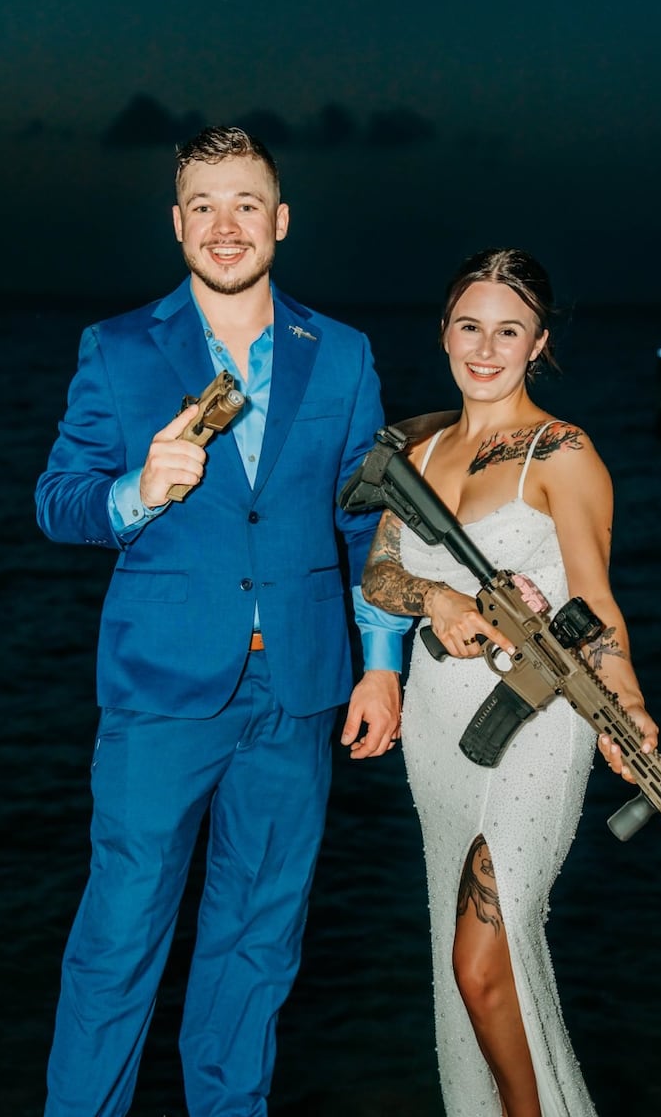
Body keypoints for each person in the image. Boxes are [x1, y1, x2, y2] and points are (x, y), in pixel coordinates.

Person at [35, 125, 407, 1117]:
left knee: (256, 946)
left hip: (299, 689)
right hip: (161, 692)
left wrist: (381, 663)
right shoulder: (117, 348)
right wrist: (135, 489)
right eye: (203, 204)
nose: (225, 224)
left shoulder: (341, 353)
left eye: (246, 202)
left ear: (281, 220)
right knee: (118, 939)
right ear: (176, 223)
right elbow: (58, 499)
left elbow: (368, 521)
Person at [361, 247, 659, 1117]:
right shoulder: (417, 449)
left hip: (536, 724)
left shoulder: (562, 453)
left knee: (483, 960)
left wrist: (629, 706)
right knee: (461, 964)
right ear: (443, 333)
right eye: (470, 326)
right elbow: (379, 575)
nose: (485, 349)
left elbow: (596, 604)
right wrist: (438, 597)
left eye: (508, 330)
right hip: (438, 727)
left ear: (539, 344)